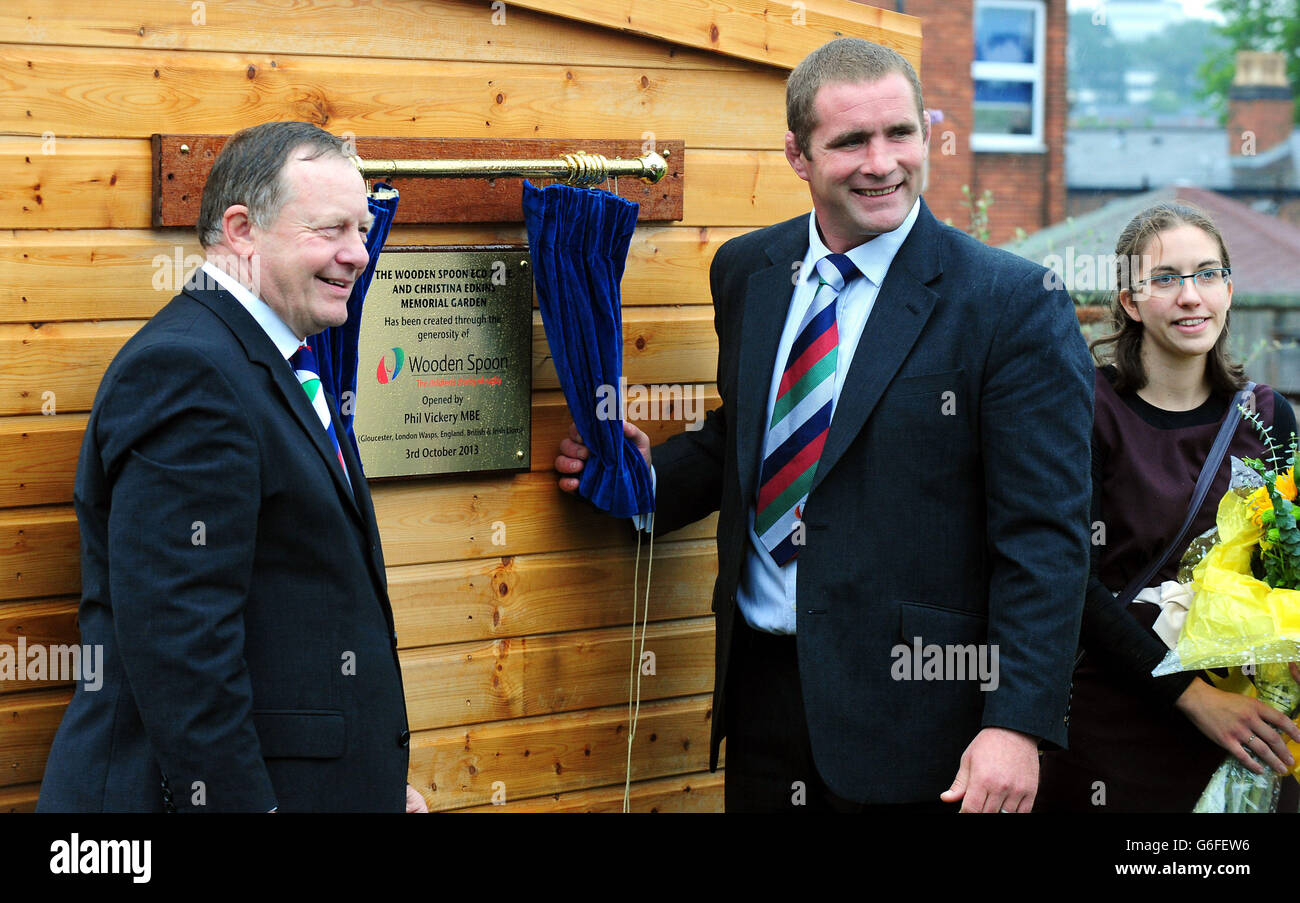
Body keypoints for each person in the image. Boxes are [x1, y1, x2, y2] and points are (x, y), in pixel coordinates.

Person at [556, 38, 1093, 811]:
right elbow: (748, 440)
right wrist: (635, 480)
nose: (883, 162)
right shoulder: (747, 269)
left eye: (901, 134)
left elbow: (1047, 537)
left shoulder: (1010, 303)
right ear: (797, 154)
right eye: (850, 141)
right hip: (763, 698)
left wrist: (1016, 723)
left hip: (924, 722)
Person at [37, 122, 426, 813]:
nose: (359, 253)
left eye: (362, 230)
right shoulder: (188, 371)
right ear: (242, 229)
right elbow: (183, 649)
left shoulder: (280, 359)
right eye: (331, 229)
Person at [1036, 203, 1300, 812]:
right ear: (1130, 301)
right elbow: (1067, 579)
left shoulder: (1266, 417)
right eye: (1166, 279)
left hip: (1250, 732)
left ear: (1229, 289)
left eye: (1208, 274)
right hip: (1116, 730)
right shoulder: (1086, 409)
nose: (1191, 296)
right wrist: (1194, 697)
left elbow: (1285, 570)